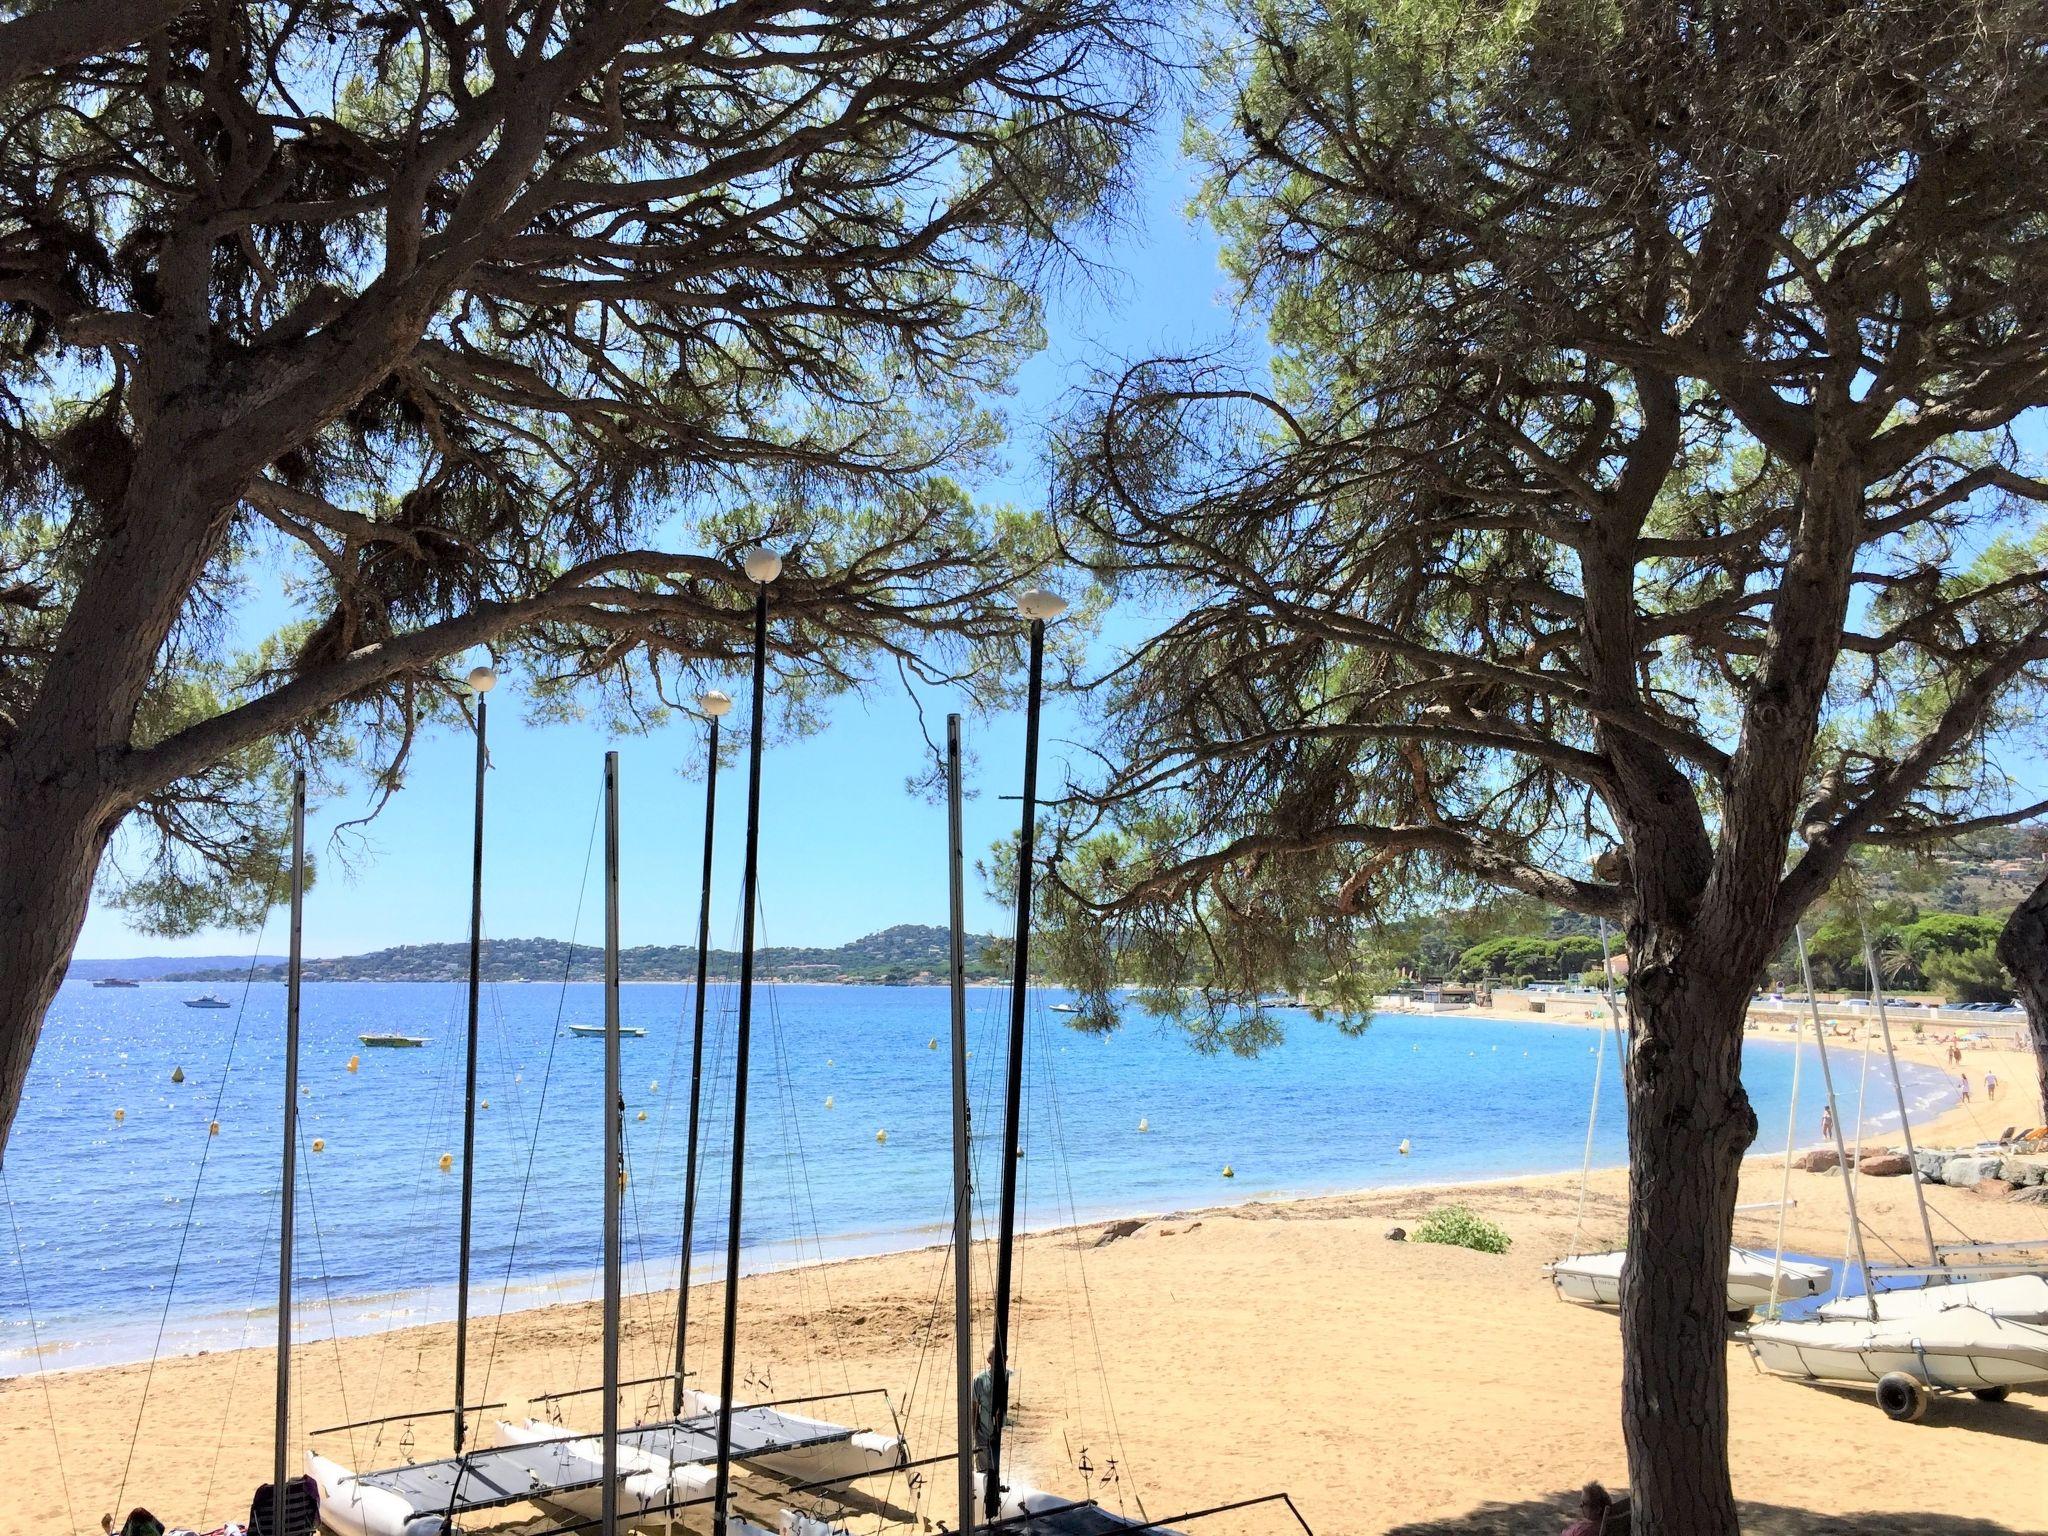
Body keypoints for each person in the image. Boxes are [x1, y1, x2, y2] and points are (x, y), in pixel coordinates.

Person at [971, 1347, 1012, 1474]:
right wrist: (976, 1432)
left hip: (1004, 1436)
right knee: (984, 1472)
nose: (1000, 1361)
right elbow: (974, 1407)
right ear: (989, 1361)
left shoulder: (1011, 1377)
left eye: (1003, 1358)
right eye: (995, 1358)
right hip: (984, 1434)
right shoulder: (979, 1380)